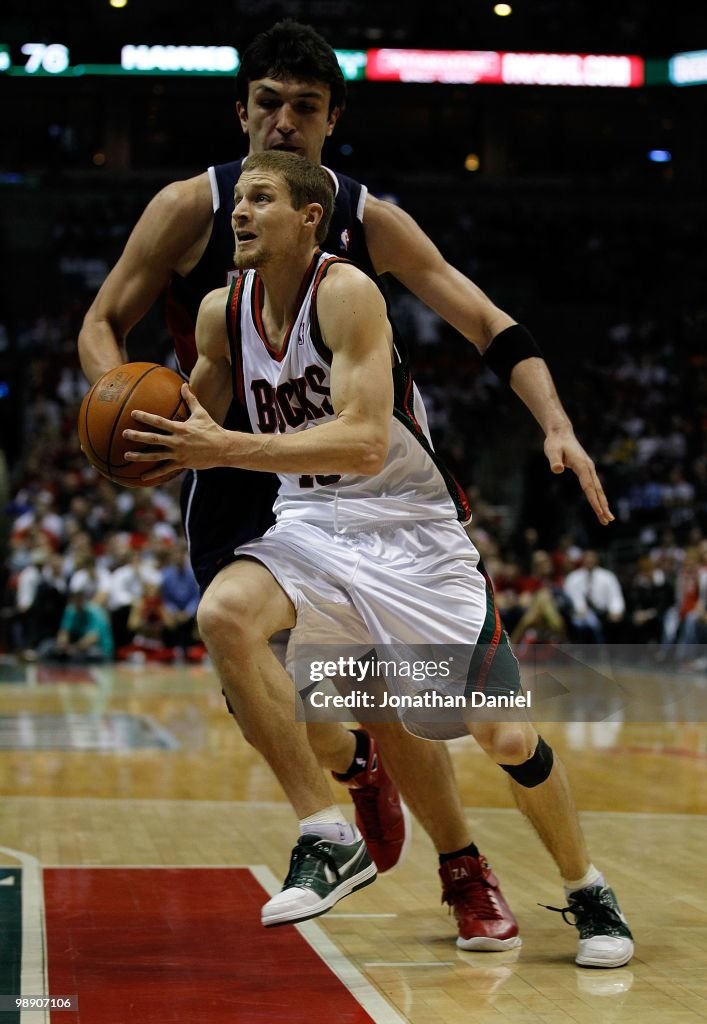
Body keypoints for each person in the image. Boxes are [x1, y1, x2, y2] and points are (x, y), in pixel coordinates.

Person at [78, 20, 610, 951]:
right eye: (270, 104)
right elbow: (103, 324)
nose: (284, 122)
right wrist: (122, 415)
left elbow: (484, 321)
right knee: (268, 694)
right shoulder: (190, 212)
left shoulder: (367, 233)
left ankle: (462, 866)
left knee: (393, 692)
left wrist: (556, 422)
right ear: (241, 110)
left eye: (306, 109)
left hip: (364, 489)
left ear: (331, 125)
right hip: (239, 473)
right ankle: (351, 777)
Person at [563, 550, 626, 644]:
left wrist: (616, 611)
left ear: (597, 560)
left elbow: (615, 596)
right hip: (580, 614)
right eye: (587, 559)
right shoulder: (573, 578)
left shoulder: (608, 576)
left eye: (592, 559)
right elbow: (568, 597)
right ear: (583, 560)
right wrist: (578, 608)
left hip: (603, 613)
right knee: (582, 623)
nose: (589, 562)